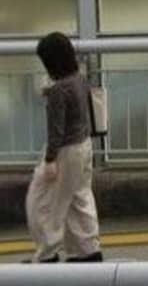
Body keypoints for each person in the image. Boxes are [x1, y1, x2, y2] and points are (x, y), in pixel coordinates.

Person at [25, 32, 102, 263]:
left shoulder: (59, 91)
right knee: (79, 199)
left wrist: (50, 160)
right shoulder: (79, 79)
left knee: (41, 202)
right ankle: (87, 250)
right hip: (83, 146)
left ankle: (47, 254)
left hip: (65, 151)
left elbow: (56, 130)